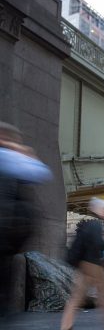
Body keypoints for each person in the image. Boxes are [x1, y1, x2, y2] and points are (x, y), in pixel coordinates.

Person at [0, 122, 52, 315]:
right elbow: (40, 172)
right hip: (10, 229)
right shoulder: (10, 157)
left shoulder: (8, 157)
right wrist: (24, 153)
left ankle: (5, 309)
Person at [60, 198, 104, 330]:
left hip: (83, 264)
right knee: (103, 297)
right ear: (99, 210)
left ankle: (66, 329)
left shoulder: (87, 224)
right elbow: (97, 243)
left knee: (76, 298)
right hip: (93, 264)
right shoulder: (96, 225)